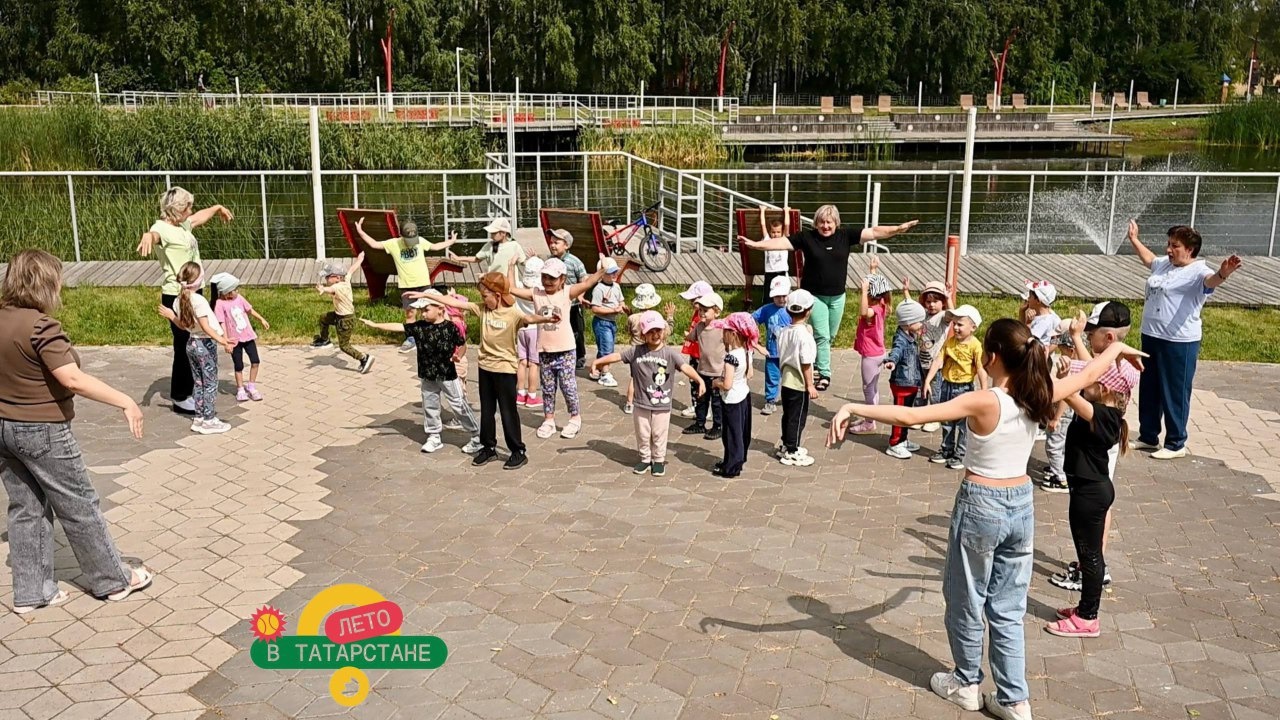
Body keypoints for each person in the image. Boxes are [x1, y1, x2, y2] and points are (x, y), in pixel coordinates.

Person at [828, 319, 1146, 720]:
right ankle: (1015, 700)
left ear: (991, 357)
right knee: (1008, 607)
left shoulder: (986, 401)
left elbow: (912, 416)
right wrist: (1115, 350)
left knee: (966, 598)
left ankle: (965, 683)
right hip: (1021, 505)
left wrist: (853, 406)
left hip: (982, 503)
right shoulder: (1038, 392)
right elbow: (1090, 374)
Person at [0, 249, 154, 613]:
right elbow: (72, 378)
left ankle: (33, 592)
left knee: (26, 507)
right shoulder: (41, 327)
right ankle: (113, 580)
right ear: (46, 284)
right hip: (44, 431)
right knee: (79, 504)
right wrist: (125, 401)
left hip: (4, 429)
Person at [741, 205, 918, 390]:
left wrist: (897, 229)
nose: (825, 226)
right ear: (816, 223)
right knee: (823, 336)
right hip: (814, 295)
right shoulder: (807, 237)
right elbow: (781, 243)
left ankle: (811, 360)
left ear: (836, 223)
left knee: (829, 336)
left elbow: (874, 232)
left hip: (837, 296)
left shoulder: (845, 236)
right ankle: (824, 373)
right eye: (822, 222)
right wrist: (755, 245)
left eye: (829, 222)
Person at [414, 273, 556, 470]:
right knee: (487, 411)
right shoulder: (481, 309)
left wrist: (546, 318)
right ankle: (488, 447)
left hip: (505, 370)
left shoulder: (512, 314)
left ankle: (518, 451)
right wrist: (427, 296)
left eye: (485, 296)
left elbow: (529, 318)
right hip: (485, 368)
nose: (482, 299)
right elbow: (452, 301)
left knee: (507, 411)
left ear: (497, 295)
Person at [1127, 221, 1242, 459]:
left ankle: (1176, 443)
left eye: (1175, 246)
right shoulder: (1164, 264)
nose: (1168, 249)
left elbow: (1211, 281)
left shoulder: (1198, 271)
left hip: (1179, 342)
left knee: (1174, 391)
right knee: (1150, 389)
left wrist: (1223, 273)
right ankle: (1148, 436)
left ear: (1190, 250)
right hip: (1152, 335)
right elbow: (1149, 259)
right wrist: (1134, 240)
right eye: (1169, 244)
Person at [1048, 302, 1138, 592]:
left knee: (1096, 512)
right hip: (1094, 450)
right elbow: (1091, 374)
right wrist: (1075, 338)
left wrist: (1062, 378)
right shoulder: (1112, 364)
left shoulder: (1117, 371)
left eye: (1091, 333)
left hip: (1096, 457)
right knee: (1094, 512)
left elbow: (1087, 378)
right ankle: (1091, 564)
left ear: (1109, 338)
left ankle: (1094, 568)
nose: (1087, 337)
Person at [1045, 361, 1135, 639]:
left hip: (1091, 494)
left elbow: (1066, 393)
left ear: (1105, 387)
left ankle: (1087, 618)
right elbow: (1072, 393)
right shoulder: (1097, 408)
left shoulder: (1105, 415)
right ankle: (1084, 609)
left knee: (1091, 557)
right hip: (1087, 491)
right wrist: (1067, 377)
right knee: (1089, 556)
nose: (1085, 382)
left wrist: (1063, 379)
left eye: (1092, 380)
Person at [135, 187, 233, 416]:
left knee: (194, 340)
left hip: (193, 291)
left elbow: (199, 217)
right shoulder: (161, 228)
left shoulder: (183, 225)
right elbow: (154, 235)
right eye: (188, 206)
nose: (191, 210)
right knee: (183, 344)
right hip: (176, 294)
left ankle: (191, 390)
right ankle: (180, 397)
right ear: (177, 209)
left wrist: (217, 208)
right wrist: (147, 236)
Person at [361, 292, 482, 456]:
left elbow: (462, 344)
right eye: (421, 311)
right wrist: (375, 325)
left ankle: (475, 435)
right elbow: (400, 327)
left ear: (440, 309)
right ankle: (434, 436)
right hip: (427, 376)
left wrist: (458, 356)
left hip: (447, 375)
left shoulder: (450, 327)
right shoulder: (419, 327)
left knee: (458, 404)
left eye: (426, 310)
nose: (423, 314)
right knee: (430, 405)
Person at [592, 312, 706, 477]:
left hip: (662, 404)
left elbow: (685, 367)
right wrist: (598, 361)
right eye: (650, 332)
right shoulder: (636, 351)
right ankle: (645, 458)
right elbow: (617, 356)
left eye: (658, 330)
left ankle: (658, 460)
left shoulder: (670, 354)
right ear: (643, 334)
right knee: (643, 433)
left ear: (664, 331)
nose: (655, 335)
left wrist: (699, 380)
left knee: (659, 433)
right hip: (641, 403)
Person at [508, 256, 606, 441]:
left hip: (566, 350)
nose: (547, 281)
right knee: (547, 388)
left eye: (552, 278)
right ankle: (549, 420)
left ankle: (575, 418)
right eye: (544, 277)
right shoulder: (536, 293)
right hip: (544, 351)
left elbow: (587, 283)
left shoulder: (567, 292)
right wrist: (511, 266)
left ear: (562, 279)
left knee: (568, 386)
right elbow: (511, 289)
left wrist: (602, 270)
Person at [353, 218, 458, 353]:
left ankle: (433, 336)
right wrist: (360, 231)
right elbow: (374, 244)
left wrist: (452, 241)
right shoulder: (393, 244)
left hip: (423, 283)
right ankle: (411, 338)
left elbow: (435, 246)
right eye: (408, 240)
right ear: (401, 235)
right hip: (407, 285)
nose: (411, 243)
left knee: (429, 311)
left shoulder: (420, 241)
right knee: (410, 313)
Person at [156, 262, 235, 434]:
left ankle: (199, 418)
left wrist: (171, 316)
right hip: (204, 345)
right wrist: (223, 340)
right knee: (210, 383)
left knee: (198, 382)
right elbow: (206, 327)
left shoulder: (179, 300)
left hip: (191, 343)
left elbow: (183, 325)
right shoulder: (198, 300)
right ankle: (209, 420)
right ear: (197, 281)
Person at [923, 305, 989, 470]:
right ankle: (946, 449)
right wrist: (928, 380)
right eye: (954, 324)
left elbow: (980, 368)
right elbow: (938, 360)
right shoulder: (950, 342)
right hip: (947, 386)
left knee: (963, 424)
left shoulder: (975, 346)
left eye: (960, 324)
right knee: (946, 420)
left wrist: (984, 390)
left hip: (964, 388)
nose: (956, 328)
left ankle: (960, 453)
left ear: (973, 327)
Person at [209, 273, 269, 402]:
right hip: (234, 340)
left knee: (255, 361)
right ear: (227, 292)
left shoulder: (239, 298)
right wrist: (226, 341)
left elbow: (249, 310)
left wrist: (261, 319)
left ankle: (251, 386)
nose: (237, 291)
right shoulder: (220, 304)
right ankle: (240, 389)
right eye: (235, 289)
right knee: (239, 365)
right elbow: (222, 323)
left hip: (248, 336)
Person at [847, 262, 893, 435]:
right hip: (878, 352)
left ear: (871, 294)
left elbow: (863, 311)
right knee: (873, 387)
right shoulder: (883, 304)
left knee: (868, 389)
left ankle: (869, 423)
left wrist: (864, 291)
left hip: (871, 355)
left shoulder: (873, 310)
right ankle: (870, 417)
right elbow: (877, 285)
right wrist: (873, 270)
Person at [775, 289, 818, 467]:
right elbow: (806, 362)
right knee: (798, 417)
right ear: (808, 311)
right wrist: (810, 385)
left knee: (788, 415)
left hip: (785, 379)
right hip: (799, 382)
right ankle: (792, 450)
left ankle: (786, 444)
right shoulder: (804, 336)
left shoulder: (784, 331)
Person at [712, 312, 758, 478]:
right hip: (744, 395)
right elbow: (749, 374)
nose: (722, 335)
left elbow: (727, 385)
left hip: (731, 399)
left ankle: (731, 467)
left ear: (733, 334)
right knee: (742, 431)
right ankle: (736, 460)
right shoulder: (746, 351)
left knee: (731, 434)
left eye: (725, 331)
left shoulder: (731, 358)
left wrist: (716, 382)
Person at [312, 255, 375, 374]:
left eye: (327, 277)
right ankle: (324, 339)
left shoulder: (337, 287)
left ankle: (363, 358)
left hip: (345, 320)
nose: (326, 279)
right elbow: (351, 270)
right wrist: (360, 259)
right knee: (324, 318)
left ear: (336, 277)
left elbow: (330, 289)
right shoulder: (345, 279)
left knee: (344, 346)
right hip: (340, 315)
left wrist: (323, 289)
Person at [883, 299, 926, 459]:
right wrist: (891, 361)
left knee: (906, 415)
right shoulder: (901, 339)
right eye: (919, 321)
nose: (922, 324)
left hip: (911, 383)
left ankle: (903, 439)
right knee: (900, 415)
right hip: (902, 385)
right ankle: (895, 443)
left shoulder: (910, 335)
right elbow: (896, 351)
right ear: (908, 323)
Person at [542, 228, 589, 368]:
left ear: (566, 245)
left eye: (556, 242)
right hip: (556, 303)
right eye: (551, 242)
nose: (552, 245)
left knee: (576, 330)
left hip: (573, 303)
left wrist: (580, 296)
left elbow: (583, 279)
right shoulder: (549, 261)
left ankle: (579, 356)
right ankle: (558, 352)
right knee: (556, 328)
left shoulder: (574, 261)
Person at [684, 292, 725, 440]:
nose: (701, 313)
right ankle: (700, 423)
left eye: (706, 310)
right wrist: (687, 335)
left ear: (717, 312)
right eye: (700, 309)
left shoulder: (722, 328)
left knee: (716, 402)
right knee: (701, 398)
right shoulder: (699, 326)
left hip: (717, 372)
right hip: (702, 370)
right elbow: (691, 337)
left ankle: (718, 426)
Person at [914, 279, 955, 432]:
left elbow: (953, 315)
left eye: (935, 301)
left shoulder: (943, 317)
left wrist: (949, 298)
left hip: (936, 363)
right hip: (921, 359)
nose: (931, 305)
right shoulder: (923, 314)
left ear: (942, 303)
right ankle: (920, 416)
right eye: (928, 301)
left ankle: (934, 418)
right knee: (920, 389)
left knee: (935, 391)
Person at [669, 280, 712, 418]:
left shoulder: (704, 317)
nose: (691, 303)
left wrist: (692, 336)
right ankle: (697, 405)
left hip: (701, 354)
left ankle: (702, 407)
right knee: (693, 379)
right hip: (695, 353)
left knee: (700, 380)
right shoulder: (697, 313)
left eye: (694, 300)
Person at [751, 276, 792, 416]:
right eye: (777, 296)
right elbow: (752, 320)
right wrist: (755, 339)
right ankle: (770, 400)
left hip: (789, 353)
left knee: (789, 377)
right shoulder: (767, 309)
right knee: (772, 377)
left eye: (784, 296)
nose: (781, 299)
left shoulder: (793, 309)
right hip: (772, 352)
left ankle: (790, 399)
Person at [588, 258, 626, 388]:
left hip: (612, 322)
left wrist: (622, 307)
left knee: (606, 346)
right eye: (611, 272)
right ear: (602, 275)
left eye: (615, 271)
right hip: (602, 322)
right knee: (607, 348)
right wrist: (612, 310)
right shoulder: (599, 289)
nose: (614, 274)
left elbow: (621, 301)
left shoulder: (616, 286)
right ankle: (605, 373)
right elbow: (595, 308)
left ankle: (597, 368)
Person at [513, 257, 545, 410]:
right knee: (534, 363)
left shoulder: (519, 286)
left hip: (521, 328)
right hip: (534, 328)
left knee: (522, 362)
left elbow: (511, 283)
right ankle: (532, 395)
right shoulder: (539, 290)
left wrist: (511, 266)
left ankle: (520, 393)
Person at [756, 206, 791, 291]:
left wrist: (786, 211)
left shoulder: (784, 241)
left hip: (781, 271)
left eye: (778, 232)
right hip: (769, 272)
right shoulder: (767, 240)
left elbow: (787, 225)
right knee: (768, 295)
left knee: (782, 292)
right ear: (770, 232)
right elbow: (763, 225)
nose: (776, 234)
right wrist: (762, 211)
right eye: (773, 232)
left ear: (781, 232)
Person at [1019, 280, 1061, 349]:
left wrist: (1028, 324)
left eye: (1030, 296)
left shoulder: (1043, 322)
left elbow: (1026, 339)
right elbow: (1057, 340)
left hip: (1034, 354)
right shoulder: (1052, 315)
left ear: (1038, 300)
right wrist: (1022, 312)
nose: (1028, 298)